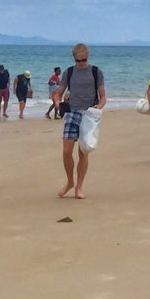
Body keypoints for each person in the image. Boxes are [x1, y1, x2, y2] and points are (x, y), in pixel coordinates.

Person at [53, 43, 106, 199]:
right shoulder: (69, 72)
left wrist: (99, 107)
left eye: (84, 60)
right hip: (71, 112)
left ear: (87, 57)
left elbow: (103, 96)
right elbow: (58, 92)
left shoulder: (96, 72)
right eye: (78, 60)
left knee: (84, 152)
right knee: (66, 151)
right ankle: (70, 181)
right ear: (74, 58)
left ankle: (79, 187)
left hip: (89, 114)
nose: (81, 63)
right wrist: (57, 102)